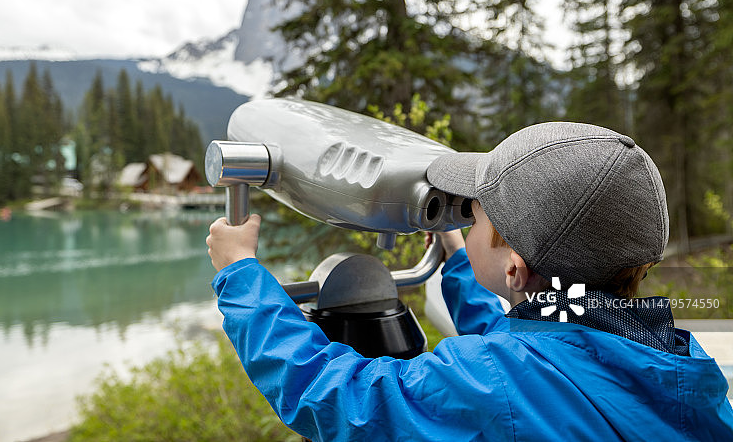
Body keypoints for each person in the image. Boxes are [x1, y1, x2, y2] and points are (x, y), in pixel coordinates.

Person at [206, 122, 733, 441]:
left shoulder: (490, 385)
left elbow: (338, 397)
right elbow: (531, 349)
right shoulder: (678, 364)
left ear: (513, 269)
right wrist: (459, 260)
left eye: (475, 220)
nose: (463, 223)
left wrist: (242, 275)